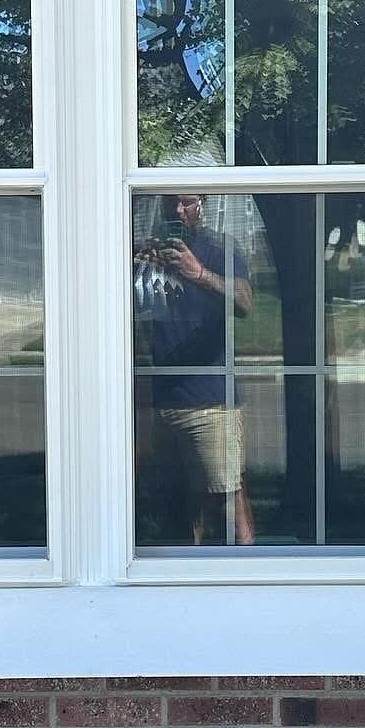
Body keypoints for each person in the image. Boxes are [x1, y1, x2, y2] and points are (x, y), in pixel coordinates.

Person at [138, 193, 256, 545]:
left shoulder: (218, 248)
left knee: (228, 499)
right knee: (179, 509)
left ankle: (253, 583)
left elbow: (246, 303)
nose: (178, 210)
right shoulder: (146, 254)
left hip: (211, 402)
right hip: (160, 401)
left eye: (187, 202)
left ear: (202, 204)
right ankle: (183, 587)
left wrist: (198, 273)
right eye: (171, 203)